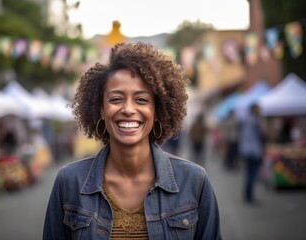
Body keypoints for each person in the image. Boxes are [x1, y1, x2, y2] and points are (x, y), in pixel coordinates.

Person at [43, 42, 222, 239]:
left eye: (141, 100)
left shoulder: (195, 182)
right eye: (116, 99)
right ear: (101, 109)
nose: (128, 109)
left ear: (157, 110)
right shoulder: (68, 182)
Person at [238, 103, 266, 203]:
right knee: (252, 174)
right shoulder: (256, 121)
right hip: (254, 151)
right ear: (255, 110)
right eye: (258, 109)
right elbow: (262, 133)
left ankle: (247, 195)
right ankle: (249, 196)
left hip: (246, 150)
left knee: (249, 173)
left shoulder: (245, 120)